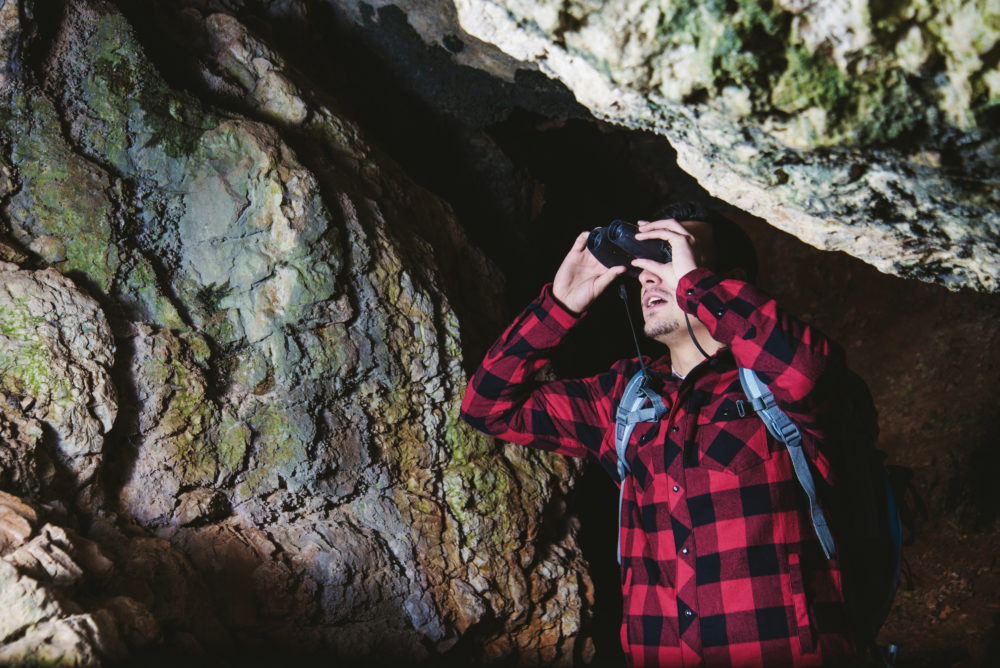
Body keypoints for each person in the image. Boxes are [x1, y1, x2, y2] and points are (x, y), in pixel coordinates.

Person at [460, 201, 858, 667]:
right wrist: (560, 306)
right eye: (645, 263)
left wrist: (696, 287)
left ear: (725, 279)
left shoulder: (772, 384)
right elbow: (487, 407)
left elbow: (806, 371)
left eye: (668, 255)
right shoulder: (622, 399)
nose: (648, 275)